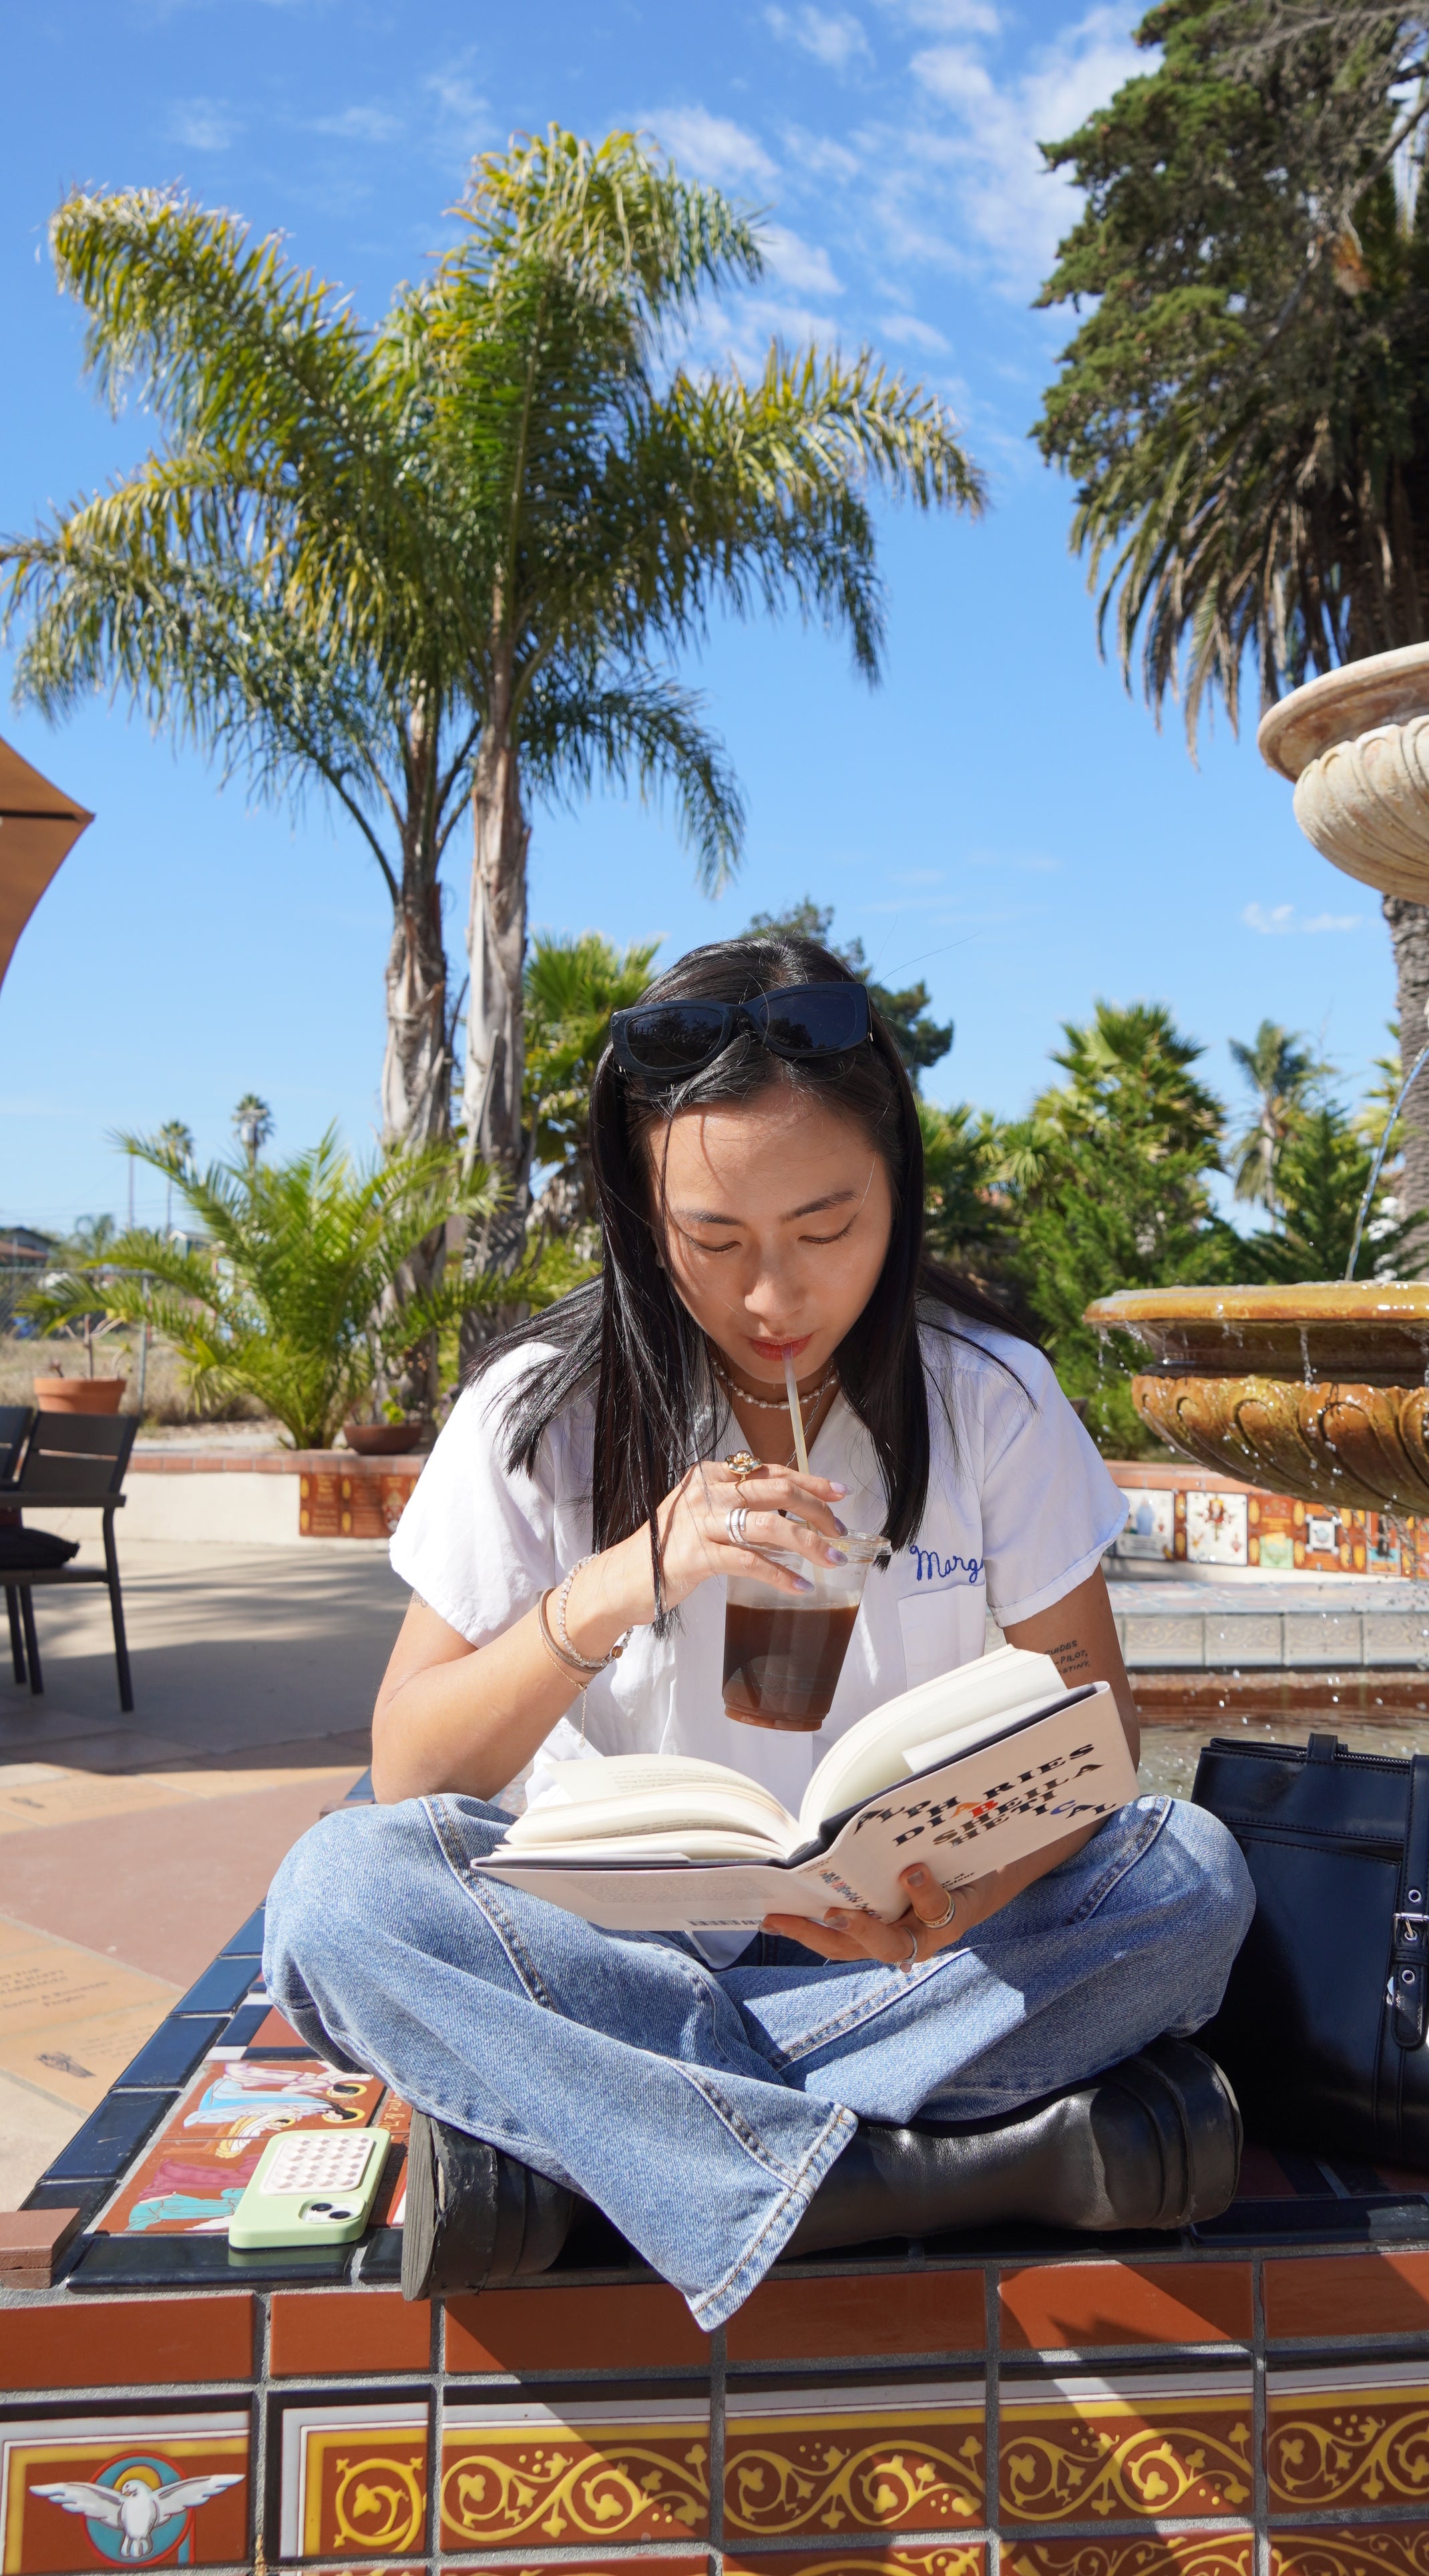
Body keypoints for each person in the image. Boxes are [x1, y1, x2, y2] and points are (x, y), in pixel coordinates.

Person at [264, 933, 1253, 2332]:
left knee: (1189, 1879)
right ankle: (910, 2166)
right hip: (617, 1951)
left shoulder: (992, 1398)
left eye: (826, 1228)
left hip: (899, 1959)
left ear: (898, 1191)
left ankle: (623, 2142)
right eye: (715, 1243)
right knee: (337, 1896)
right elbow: (417, 1765)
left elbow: (1099, 1734)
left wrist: (969, 1886)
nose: (774, 1298)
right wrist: (619, 1583)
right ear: (639, 1207)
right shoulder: (541, 1412)